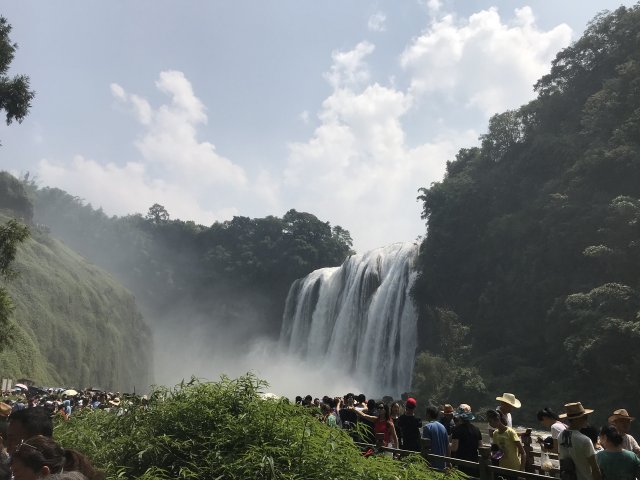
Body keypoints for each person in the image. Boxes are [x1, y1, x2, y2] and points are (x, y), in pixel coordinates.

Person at [557, 402, 601, 480]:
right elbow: (595, 468)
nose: (586, 420)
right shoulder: (585, 440)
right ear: (578, 419)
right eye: (585, 417)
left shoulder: (560, 435)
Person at [486, 409, 526, 476]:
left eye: (490, 421)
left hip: (514, 468)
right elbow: (496, 452)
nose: (489, 424)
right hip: (502, 468)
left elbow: (523, 453)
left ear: (497, 419)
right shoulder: (495, 434)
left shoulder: (510, 432)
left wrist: (521, 471)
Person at [451, 404, 482, 476]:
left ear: (460, 417)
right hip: (474, 462)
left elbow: (454, 449)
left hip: (462, 463)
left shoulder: (457, 429)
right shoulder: (476, 429)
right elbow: (480, 447)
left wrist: (447, 444)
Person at [423, 405, 449, 470]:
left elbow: (426, 448)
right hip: (443, 464)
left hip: (432, 464)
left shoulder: (427, 427)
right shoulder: (443, 427)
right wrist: (448, 461)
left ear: (428, 414)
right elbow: (448, 446)